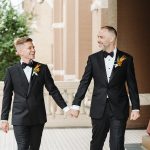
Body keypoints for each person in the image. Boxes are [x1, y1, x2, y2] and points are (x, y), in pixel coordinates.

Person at [71, 26, 140, 150]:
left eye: (101, 37)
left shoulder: (126, 59)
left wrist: (135, 107)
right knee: (96, 144)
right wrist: (76, 104)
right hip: (99, 108)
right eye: (98, 37)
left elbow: (132, 84)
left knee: (117, 145)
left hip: (119, 109)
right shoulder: (93, 59)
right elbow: (84, 82)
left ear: (112, 38)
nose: (98, 40)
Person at [0, 37, 70, 150]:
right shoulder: (11, 71)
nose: (33, 50)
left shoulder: (41, 68)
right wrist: (4, 119)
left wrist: (65, 108)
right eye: (30, 48)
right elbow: (7, 96)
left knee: (34, 148)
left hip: (38, 116)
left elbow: (53, 90)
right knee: (22, 147)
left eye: (33, 47)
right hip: (20, 117)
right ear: (20, 52)